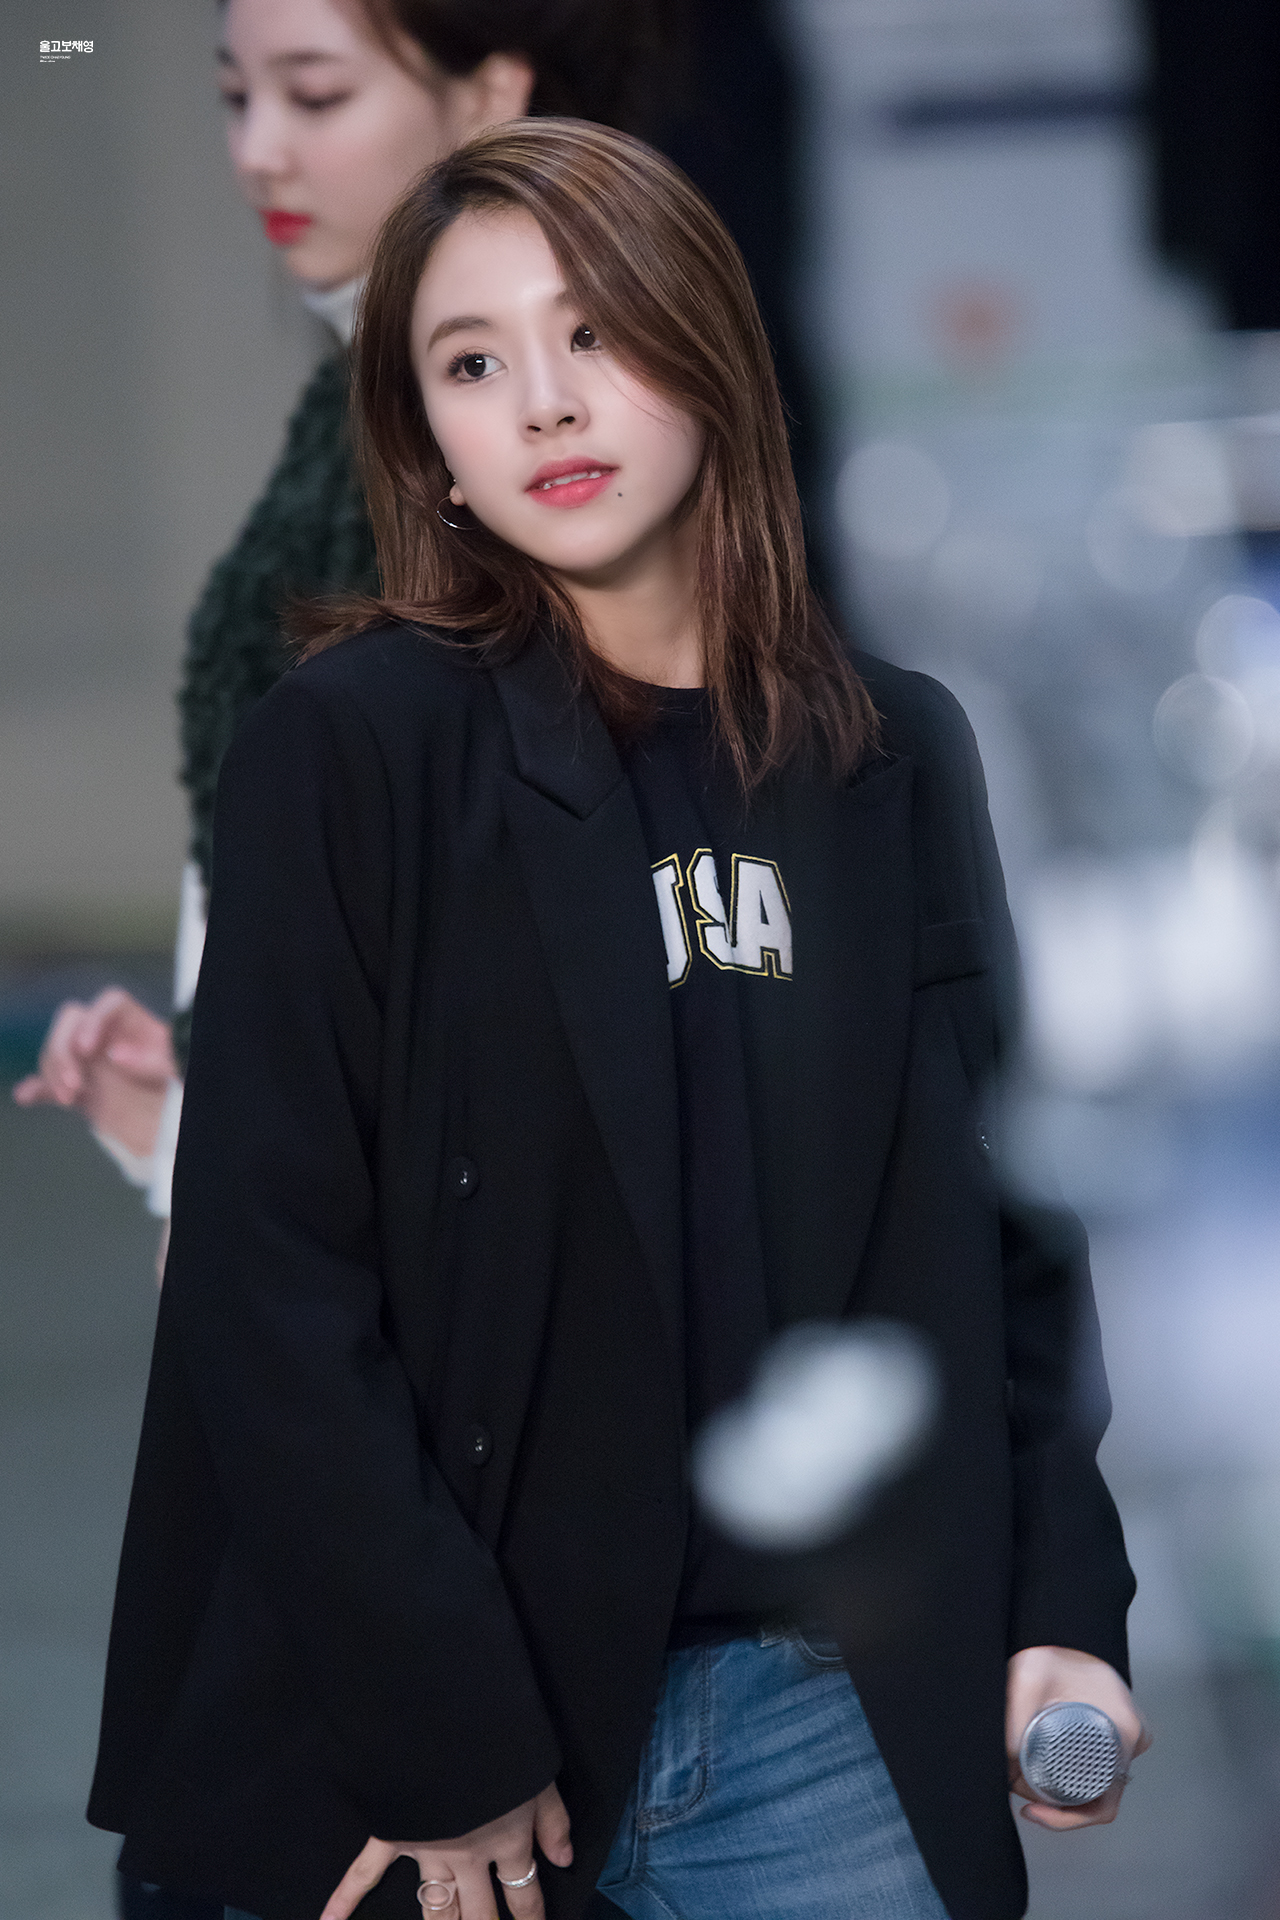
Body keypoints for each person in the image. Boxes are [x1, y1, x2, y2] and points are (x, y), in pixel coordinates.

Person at [89, 120, 1146, 1920]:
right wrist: (442, 1732)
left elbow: (1002, 1230)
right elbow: (270, 1284)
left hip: (822, 1718)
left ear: (706, 345)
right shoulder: (351, 752)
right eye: (472, 365)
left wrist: (1062, 1603)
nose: (545, 404)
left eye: (593, 332)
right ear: (427, 446)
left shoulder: (893, 755)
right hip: (440, 1738)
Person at [12, 0, 676, 1234]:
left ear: (491, 92)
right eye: (234, 97)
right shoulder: (352, 417)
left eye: (315, 96)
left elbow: (501, 995)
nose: (259, 151)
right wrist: (195, 1119)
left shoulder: (517, 457)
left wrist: (226, 1150)